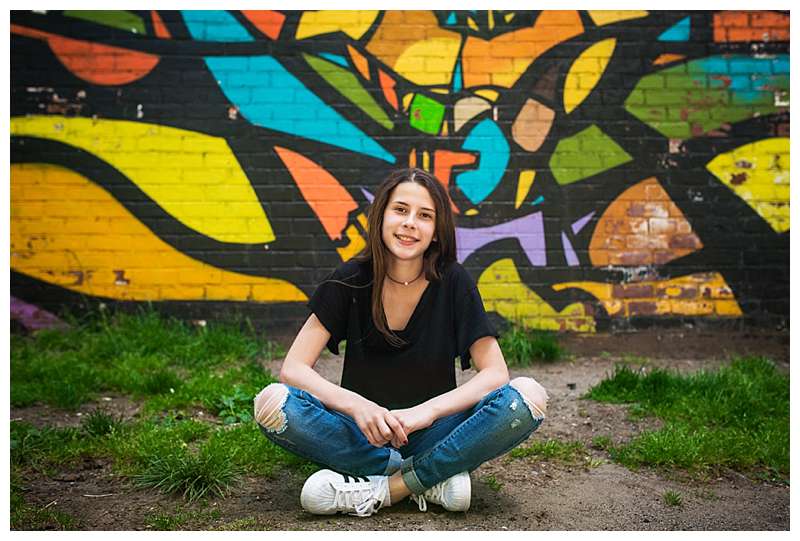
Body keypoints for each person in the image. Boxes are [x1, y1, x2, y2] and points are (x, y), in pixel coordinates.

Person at [253, 167, 548, 517]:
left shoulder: (454, 282)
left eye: (425, 215)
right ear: (381, 217)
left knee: (528, 397)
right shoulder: (350, 280)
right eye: (400, 210)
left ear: (437, 231)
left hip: (435, 432)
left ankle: (388, 488)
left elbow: (495, 373)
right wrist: (357, 407)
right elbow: (293, 368)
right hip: (361, 434)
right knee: (272, 404)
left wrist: (426, 413)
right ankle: (431, 477)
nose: (410, 223)